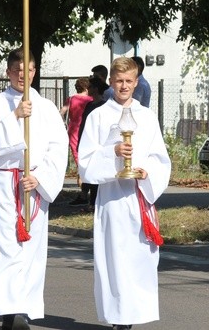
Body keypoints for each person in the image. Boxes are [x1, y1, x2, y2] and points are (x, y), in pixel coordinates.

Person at [78, 57, 171, 330]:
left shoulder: (147, 116)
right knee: (115, 259)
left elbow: (159, 157)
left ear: (136, 81)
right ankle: (119, 319)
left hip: (140, 196)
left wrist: (147, 171)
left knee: (140, 258)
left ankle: (135, 315)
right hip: (113, 199)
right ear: (111, 82)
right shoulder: (98, 115)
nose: (124, 86)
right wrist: (112, 153)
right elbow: (85, 161)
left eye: (129, 81)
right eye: (119, 81)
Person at [0, 48, 69, 330]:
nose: (23, 75)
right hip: (4, 184)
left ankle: (24, 308)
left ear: (34, 72)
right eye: (17, 70)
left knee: (30, 249)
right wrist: (15, 116)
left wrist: (40, 177)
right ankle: (9, 310)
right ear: (8, 72)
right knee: (3, 248)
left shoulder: (47, 107)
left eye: (28, 70)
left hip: (33, 185)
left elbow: (58, 148)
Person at [76, 76, 109, 212]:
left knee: (96, 174)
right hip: (86, 141)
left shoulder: (103, 106)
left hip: (98, 145)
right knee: (87, 172)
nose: (87, 90)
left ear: (95, 89)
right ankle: (89, 199)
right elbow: (83, 124)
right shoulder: (89, 105)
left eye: (90, 87)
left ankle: (94, 202)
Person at [61, 77, 94, 206]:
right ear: (87, 88)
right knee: (87, 158)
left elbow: (62, 112)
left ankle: (82, 189)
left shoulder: (71, 99)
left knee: (78, 157)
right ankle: (85, 189)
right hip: (86, 129)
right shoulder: (90, 100)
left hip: (73, 130)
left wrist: (64, 123)